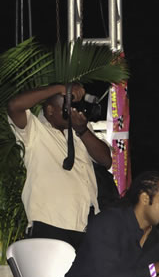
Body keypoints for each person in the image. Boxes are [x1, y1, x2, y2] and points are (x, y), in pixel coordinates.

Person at [7, 82, 112, 249]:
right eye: (68, 104)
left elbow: (106, 160)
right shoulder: (35, 131)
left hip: (86, 225)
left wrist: (83, 130)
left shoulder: (81, 130)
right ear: (50, 110)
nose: (74, 111)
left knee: (85, 276)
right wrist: (61, 88)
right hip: (50, 225)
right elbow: (14, 106)